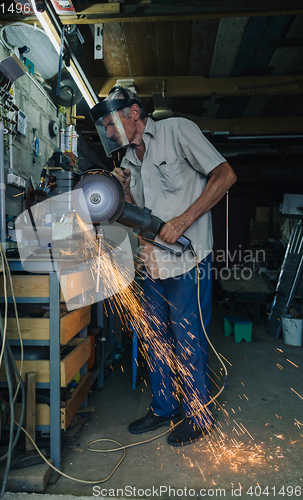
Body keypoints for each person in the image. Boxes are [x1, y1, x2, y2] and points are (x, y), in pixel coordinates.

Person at [89, 87, 237, 446]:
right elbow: (136, 216)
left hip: (188, 262)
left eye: (111, 123)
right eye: (105, 127)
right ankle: (164, 407)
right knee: (156, 340)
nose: (109, 133)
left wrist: (184, 220)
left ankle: (199, 415)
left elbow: (225, 176)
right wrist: (123, 191)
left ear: (134, 112)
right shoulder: (127, 161)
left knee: (189, 340)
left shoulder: (177, 131)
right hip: (153, 266)